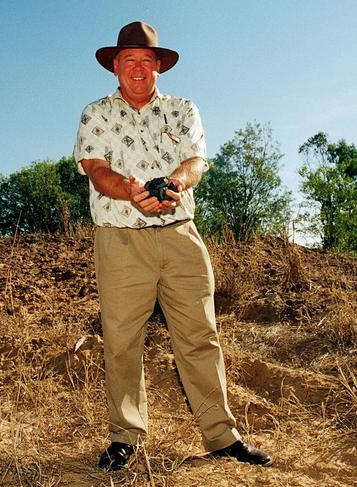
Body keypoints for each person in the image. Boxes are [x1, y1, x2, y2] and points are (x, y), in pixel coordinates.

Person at [73, 21, 272, 471]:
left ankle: (222, 436)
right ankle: (125, 437)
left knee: (200, 335)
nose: (138, 69)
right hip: (119, 238)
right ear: (115, 66)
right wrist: (132, 190)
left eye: (147, 60)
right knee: (122, 340)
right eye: (129, 61)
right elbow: (97, 170)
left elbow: (195, 161)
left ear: (159, 65)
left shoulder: (183, 109)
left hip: (181, 234)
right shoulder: (95, 113)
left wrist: (176, 184)